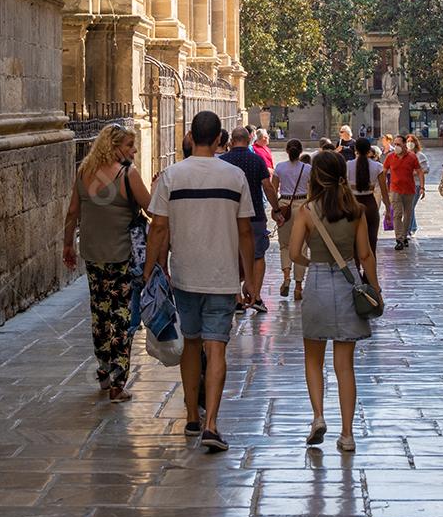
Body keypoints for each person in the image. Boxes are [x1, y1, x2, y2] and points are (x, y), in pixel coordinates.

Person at [145, 111, 256, 452]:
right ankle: (212, 424)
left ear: (191, 137)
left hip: (185, 275)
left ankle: (192, 416)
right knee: (216, 347)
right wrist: (249, 279)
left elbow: (159, 227)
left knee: (191, 345)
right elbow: (245, 231)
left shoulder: (171, 176)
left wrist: (151, 269)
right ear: (220, 137)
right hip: (222, 277)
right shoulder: (235, 177)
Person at [289, 151, 382, 452]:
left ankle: (318, 416)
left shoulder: (307, 211)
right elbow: (365, 255)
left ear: (315, 176)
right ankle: (347, 433)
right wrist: (375, 288)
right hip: (347, 284)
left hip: (316, 283)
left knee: (313, 358)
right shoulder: (355, 210)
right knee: (345, 365)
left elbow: (293, 254)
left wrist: (312, 260)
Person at [62, 124, 152, 402]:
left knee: (99, 314)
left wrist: (68, 245)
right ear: (114, 147)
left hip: (93, 254)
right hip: (121, 257)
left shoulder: (84, 173)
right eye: (128, 145)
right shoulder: (128, 175)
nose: (134, 150)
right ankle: (117, 383)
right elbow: (151, 208)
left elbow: (72, 212)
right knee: (121, 317)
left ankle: (103, 371)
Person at [221, 126, 280, 314]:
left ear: (232, 140)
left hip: (230, 215)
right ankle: (255, 293)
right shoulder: (257, 160)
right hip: (254, 214)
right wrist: (276, 209)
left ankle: (237, 298)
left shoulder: (224, 162)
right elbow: (268, 187)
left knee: (232, 255)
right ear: (248, 140)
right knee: (258, 254)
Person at [271, 139, 311, 300]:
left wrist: (276, 210)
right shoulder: (308, 168)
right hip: (302, 206)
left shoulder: (280, 167)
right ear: (300, 151)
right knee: (302, 247)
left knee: (285, 245)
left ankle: (286, 277)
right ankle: (299, 286)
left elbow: (273, 190)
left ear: (287, 151)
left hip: (285, 206)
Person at [346, 136, 388, 255]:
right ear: (369, 150)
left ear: (356, 150)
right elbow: (384, 190)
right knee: (371, 239)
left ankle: (357, 266)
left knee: (353, 240)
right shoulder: (378, 167)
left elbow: (342, 187)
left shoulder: (348, 165)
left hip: (353, 203)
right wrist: (388, 209)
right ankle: (369, 268)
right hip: (370, 203)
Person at [384, 135, 424, 250]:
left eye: (399, 144)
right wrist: (385, 188)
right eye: (395, 144)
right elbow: (384, 171)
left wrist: (422, 187)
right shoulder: (390, 157)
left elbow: (420, 171)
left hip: (409, 190)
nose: (396, 147)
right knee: (397, 214)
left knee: (408, 214)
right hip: (395, 189)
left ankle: (405, 235)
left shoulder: (412, 157)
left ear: (404, 145)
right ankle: (399, 238)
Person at [405, 133, 430, 238]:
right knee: (409, 207)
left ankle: (408, 229)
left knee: (410, 207)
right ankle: (412, 227)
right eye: (408, 141)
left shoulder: (420, 156)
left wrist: (415, 172)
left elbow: (426, 169)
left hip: (416, 184)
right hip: (406, 184)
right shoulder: (404, 155)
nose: (410, 143)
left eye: (412, 141)